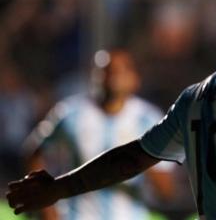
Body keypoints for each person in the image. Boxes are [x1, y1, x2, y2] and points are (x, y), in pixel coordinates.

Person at [6, 0, 216, 220]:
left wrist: (56, 189)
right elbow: (35, 149)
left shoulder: (188, 100)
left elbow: (142, 167)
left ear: (134, 79)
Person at [11, 49, 174, 220]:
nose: (113, 77)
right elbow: (33, 150)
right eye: (106, 70)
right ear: (93, 75)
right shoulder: (71, 113)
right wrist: (46, 207)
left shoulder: (148, 119)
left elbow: (166, 192)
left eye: (120, 71)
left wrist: (141, 155)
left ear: (134, 79)